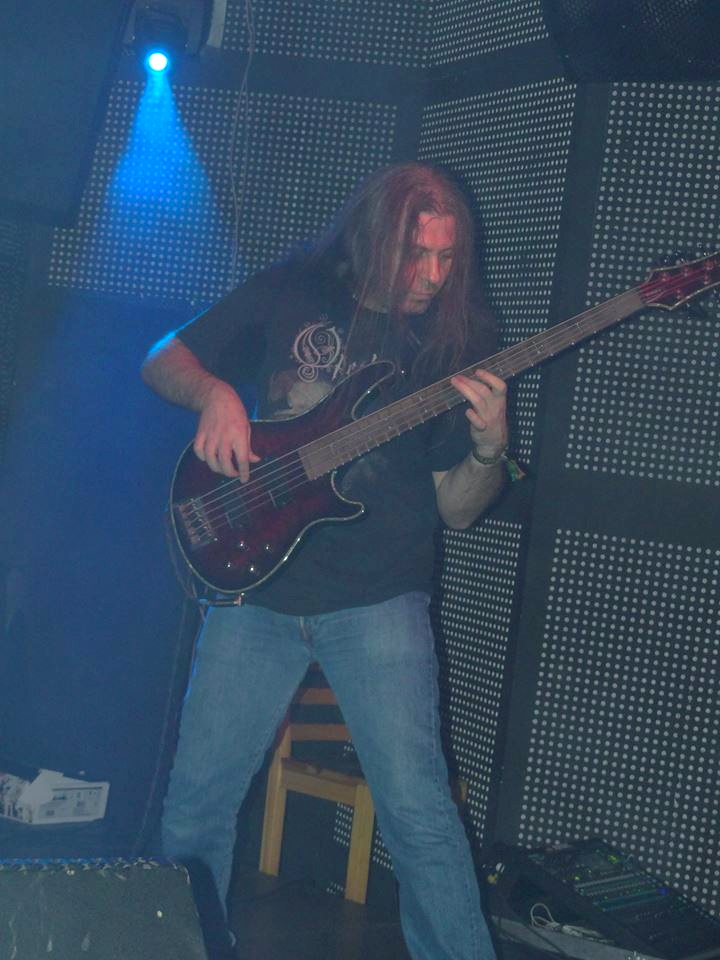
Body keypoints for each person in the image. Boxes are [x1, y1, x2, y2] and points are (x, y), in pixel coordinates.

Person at [141, 161, 508, 960]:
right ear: (373, 238)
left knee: (418, 814)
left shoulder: (458, 340)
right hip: (254, 590)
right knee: (196, 806)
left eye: (447, 257)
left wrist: (489, 448)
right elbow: (164, 355)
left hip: (379, 598)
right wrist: (216, 395)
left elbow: (457, 508)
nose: (433, 276)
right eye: (416, 255)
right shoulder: (294, 287)